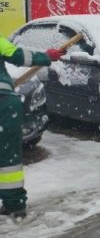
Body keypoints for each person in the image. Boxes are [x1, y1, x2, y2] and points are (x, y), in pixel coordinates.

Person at [1, 37, 65, 219]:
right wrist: (45, 56)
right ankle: (14, 204)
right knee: (8, 159)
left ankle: (13, 204)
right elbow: (19, 56)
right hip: (4, 104)